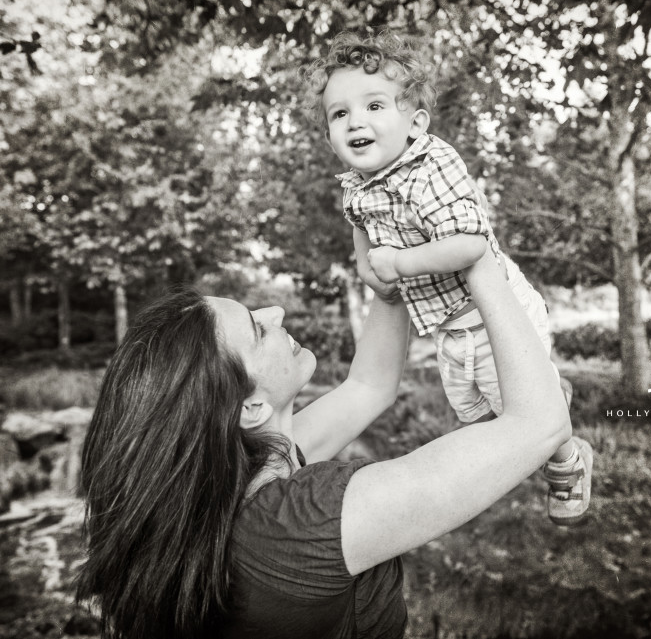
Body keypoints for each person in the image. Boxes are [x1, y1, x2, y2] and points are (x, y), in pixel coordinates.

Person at [76, 248, 572, 639]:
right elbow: (538, 423)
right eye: (257, 328)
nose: (275, 310)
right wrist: (481, 264)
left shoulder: (236, 474)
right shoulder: (312, 519)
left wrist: (390, 287)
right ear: (248, 407)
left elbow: (369, 387)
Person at [303, 29, 592, 525]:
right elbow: (361, 231)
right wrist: (365, 265)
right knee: (474, 417)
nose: (355, 122)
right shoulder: (356, 186)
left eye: (374, 106)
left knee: (525, 421)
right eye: (340, 114)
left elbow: (470, 245)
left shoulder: (431, 164)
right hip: (448, 326)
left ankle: (568, 458)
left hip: (494, 314)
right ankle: (547, 392)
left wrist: (400, 264)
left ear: (416, 123)